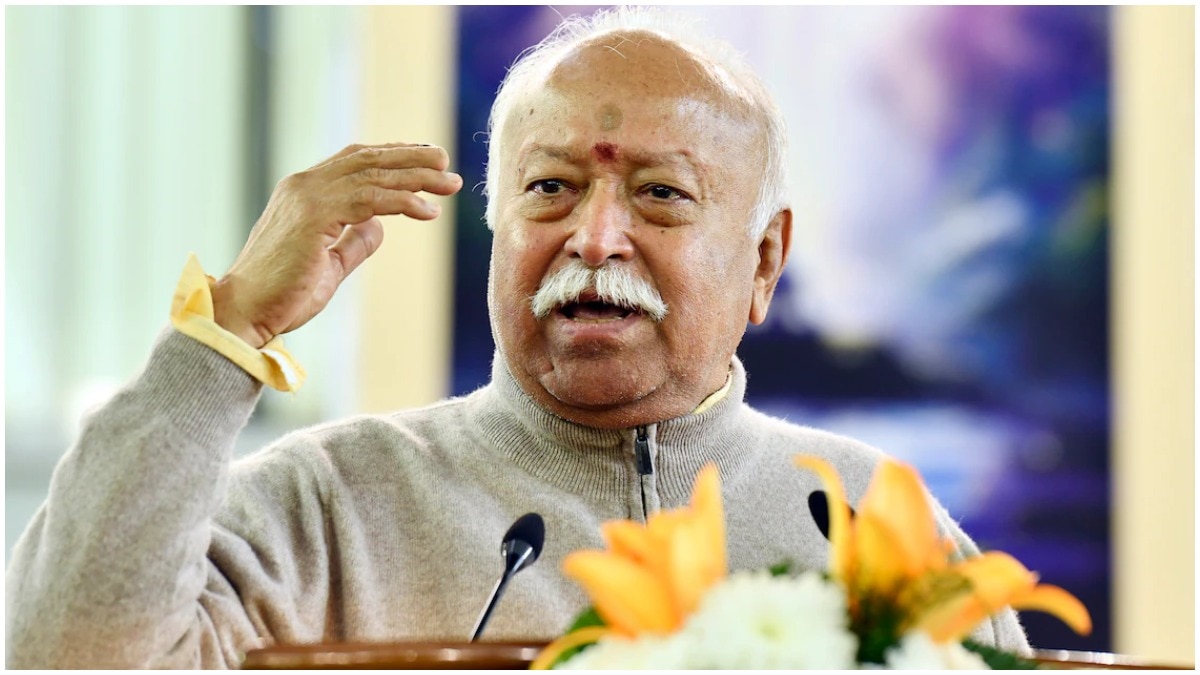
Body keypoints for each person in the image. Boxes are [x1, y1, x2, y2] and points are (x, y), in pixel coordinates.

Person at [5, 8, 1029, 668]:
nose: (595, 237)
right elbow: (65, 656)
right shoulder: (322, 507)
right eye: (550, 188)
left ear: (765, 262)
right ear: (496, 226)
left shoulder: (869, 523)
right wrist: (227, 331)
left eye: (661, 194)